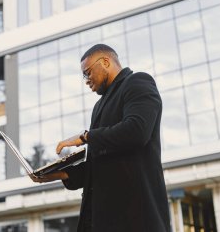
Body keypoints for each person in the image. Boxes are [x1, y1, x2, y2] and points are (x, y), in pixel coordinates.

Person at [31, 44, 171, 232]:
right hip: (101, 219)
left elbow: (137, 131)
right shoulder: (99, 107)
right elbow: (99, 165)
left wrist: (85, 137)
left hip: (136, 217)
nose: (86, 80)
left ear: (105, 62)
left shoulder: (137, 82)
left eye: (87, 73)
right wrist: (58, 174)